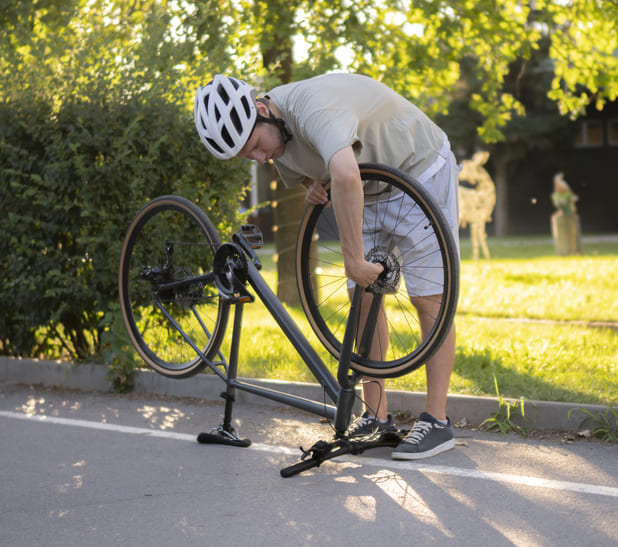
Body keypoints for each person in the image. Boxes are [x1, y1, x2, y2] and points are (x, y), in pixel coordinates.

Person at [193, 72, 459, 460]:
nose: (260, 158)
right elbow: (314, 172)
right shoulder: (275, 140)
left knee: (429, 298)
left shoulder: (312, 107)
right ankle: (375, 416)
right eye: (247, 157)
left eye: (255, 146)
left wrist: (352, 260)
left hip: (418, 168)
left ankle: (437, 421)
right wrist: (309, 186)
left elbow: (346, 175)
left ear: (264, 111)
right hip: (369, 185)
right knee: (365, 300)